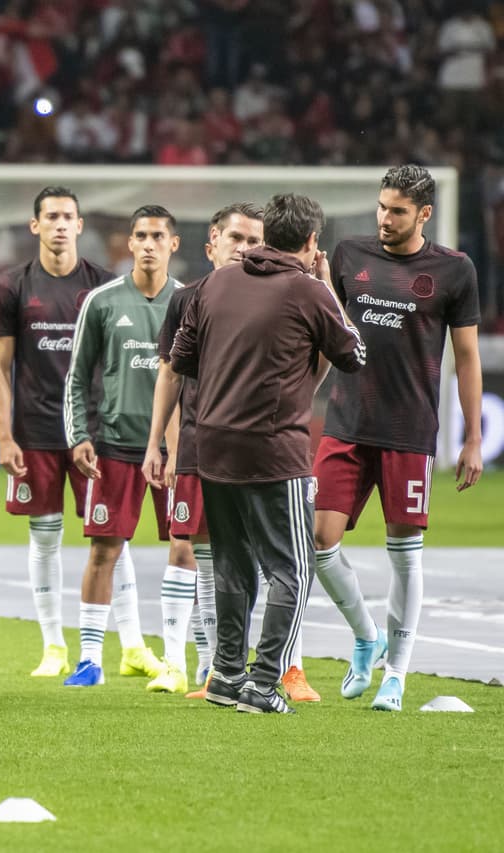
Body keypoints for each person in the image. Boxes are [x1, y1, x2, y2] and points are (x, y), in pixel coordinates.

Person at [166, 192, 366, 714]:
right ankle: (262, 684)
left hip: (212, 447)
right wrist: (327, 286)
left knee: (232, 566)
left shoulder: (213, 285)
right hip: (274, 451)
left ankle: (226, 675)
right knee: (291, 571)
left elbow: (182, 359)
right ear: (311, 242)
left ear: (267, 235)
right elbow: (355, 354)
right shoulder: (308, 291)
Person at [312, 165, 483, 712]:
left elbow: (467, 357)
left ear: (424, 213)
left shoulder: (454, 270)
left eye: (398, 211)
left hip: (408, 431)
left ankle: (396, 675)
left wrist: (473, 437)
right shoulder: (349, 256)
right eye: (382, 207)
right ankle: (367, 636)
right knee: (318, 541)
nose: (385, 219)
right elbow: (330, 336)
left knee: (405, 555)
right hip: (345, 423)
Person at [144, 202, 323, 702]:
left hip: (246, 446)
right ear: (212, 245)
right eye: (236, 239)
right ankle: (221, 671)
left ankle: (280, 669)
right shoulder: (193, 296)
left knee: (259, 562)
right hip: (209, 445)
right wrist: (159, 442)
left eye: (254, 240)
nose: (245, 249)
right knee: (220, 560)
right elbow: (171, 373)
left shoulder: (281, 293)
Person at [0, 185, 155, 678]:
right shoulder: (13, 287)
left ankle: (132, 646)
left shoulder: (105, 287)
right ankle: (53, 647)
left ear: (80, 226)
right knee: (45, 537)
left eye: (68, 217)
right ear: (35, 226)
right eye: (51, 217)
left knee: (112, 537)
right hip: (36, 431)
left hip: (95, 433)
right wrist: (4, 436)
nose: (60, 225)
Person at [62, 205, 185, 691]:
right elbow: (77, 377)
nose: (149, 244)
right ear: (129, 243)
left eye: (158, 236)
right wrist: (79, 435)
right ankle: (90, 660)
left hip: (175, 453)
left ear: (173, 244)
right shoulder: (103, 301)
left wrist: (186, 445)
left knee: (188, 549)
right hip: (115, 447)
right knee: (103, 550)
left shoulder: (190, 301)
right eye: (141, 236)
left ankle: (185, 661)